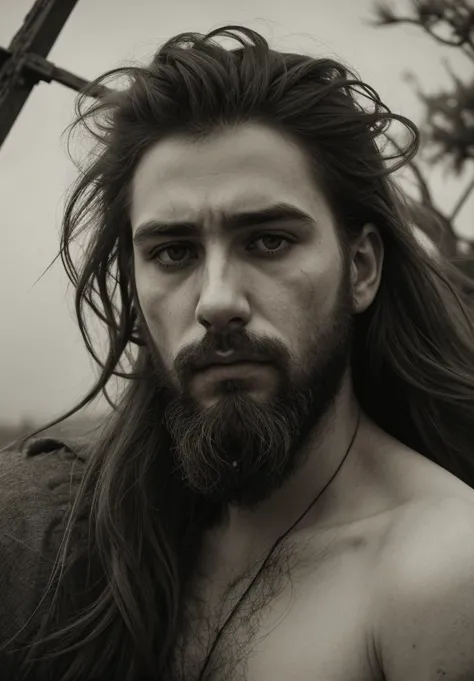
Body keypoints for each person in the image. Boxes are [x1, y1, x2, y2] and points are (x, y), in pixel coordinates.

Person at [1, 24, 474, 681]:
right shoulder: (95, 534)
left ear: (361, 268)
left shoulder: (442, 573)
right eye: (173, 252)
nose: (217, 300)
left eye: (269, 241)